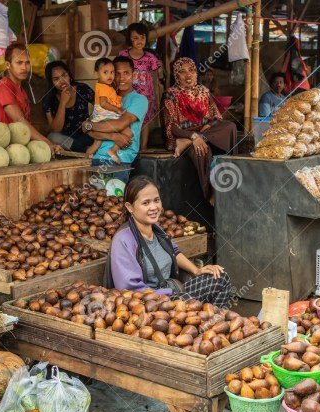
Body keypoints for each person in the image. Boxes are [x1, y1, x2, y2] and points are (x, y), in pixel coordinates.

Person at [103, 176, 233, 306]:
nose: (154, 207)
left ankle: (215, 321)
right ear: (130, 207)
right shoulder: (123, 240)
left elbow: (174, 252)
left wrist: (196, 271)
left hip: (172, 294)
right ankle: (210, 321)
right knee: (191, 302)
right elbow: (130, 290)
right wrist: (168, 293)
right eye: (146, 203)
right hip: (150, 305)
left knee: (220, 277)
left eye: (156, 200)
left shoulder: (156, 229)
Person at [162, 57, 237, 200]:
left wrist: (209, 127)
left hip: (205, 133)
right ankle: (208, 198)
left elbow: (216, 117)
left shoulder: (204, 91)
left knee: (230, 126)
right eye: (182, 72)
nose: (188, 75)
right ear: (176, 75)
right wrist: (192, 137)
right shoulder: (170, 94)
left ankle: (231, 189)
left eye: (191, 71)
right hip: (184, 136)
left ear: (196, 73)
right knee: (202, 150)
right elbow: (171, 126)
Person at [80, 56, 148, 182]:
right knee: (95, 199)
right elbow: (90, 131)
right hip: (96, 158)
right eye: (117, 73)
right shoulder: (109, 97)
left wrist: (88, 125)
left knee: (114, 199)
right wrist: (114, 137)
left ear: (133, 74)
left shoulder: (139, 100)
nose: (121, 78)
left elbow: (119, 125)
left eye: (126, 73)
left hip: (119, 161)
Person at [0, 43, 62, 154]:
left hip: (21, 145)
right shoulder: (4, 86)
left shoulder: (22, 90)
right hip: (7, 149)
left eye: (27, 63)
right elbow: (19, 121)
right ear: (7, 65)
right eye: (19, 63)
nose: (24, 67)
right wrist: (46, 142)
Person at [119, 23, 162, 151]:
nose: (140, 41)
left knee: (144, 121)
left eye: (142, 37)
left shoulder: (150, 57)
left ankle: (142, 148)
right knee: (127, 119)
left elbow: (157, 74)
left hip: (146, 96)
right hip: (127, 94)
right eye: (135, 38)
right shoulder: (123, 55)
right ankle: (128, 146)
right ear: (129, 39)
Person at [42, 60, 95, 153]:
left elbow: (100, 107)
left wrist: (91, 120)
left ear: (69, 75)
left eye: (64, 75)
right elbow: (55, 129)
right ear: (51, 82)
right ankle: (85, 150)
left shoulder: (82, 89)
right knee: (52, 137)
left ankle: (85, 149)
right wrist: (62, 103)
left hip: (87, 133)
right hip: (67, 140)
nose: (62, 81)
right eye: (56, 79)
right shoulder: (48, 99)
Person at [85, 58, 131, 163]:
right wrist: (118, 109)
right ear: (96, 74)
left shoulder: (107, 87)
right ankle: (112, 151)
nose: (109, 75)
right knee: (128, 133)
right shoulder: (103, 87)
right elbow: (103, 103)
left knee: (98, 141)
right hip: (105, 116)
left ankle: (89, 154)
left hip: (104, 116)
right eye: (105, 72)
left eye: (112, 72)